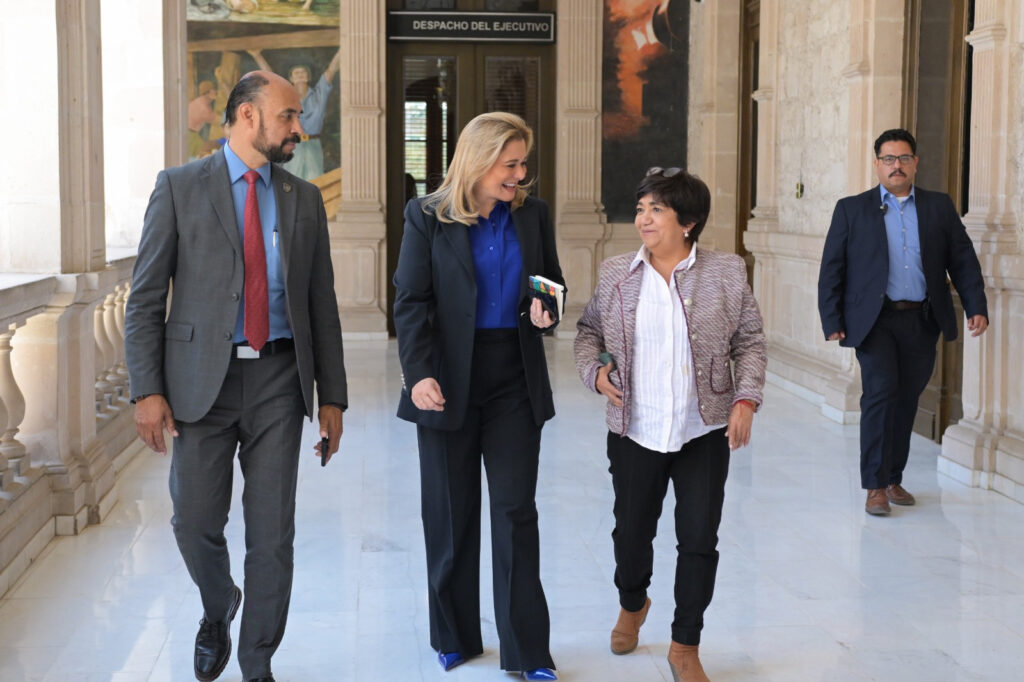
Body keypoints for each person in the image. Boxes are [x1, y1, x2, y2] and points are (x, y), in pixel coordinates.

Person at [124, 70, 347, 682]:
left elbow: (321, 304)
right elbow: (145, 299)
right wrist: (147, 389)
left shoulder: (304, 199)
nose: (298, 128)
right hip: (202, 383)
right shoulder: (178, 187)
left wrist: (333, 397)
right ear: (248, 115)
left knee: (272, 536)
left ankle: (257, 664)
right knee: (193, 521)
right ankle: (219, 600)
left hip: (279, 380)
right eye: (288, 116)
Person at [574, 167, 766, 682]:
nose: (644, 219)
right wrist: (595, 374)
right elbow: (588, 333)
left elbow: (749, 340)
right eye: (641, 209)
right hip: (636, 429)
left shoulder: (726, 272)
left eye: (656, 209)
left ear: (688, 221)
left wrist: (746, 398)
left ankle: (685, 644)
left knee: (699, 540)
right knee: (631, 536)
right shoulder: (617, 272)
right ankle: (632, 602)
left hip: (702, 430)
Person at [393, 112, 562, 681]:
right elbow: (411, 302)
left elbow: (551, 282)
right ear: (478, 161)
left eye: (522, 164)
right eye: (509, 164)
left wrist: (547, 308)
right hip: (445, 379)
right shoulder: (426, 216)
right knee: (450, 511)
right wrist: (418, 373)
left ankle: (528, 652)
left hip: (514, 377)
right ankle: (453, 636)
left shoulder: (533, 215)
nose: (519, 175)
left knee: (515, 512)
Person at [817, 128, 988, 516]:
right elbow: (832, 268)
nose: (897, 166)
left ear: (915, 163)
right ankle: (875, 486)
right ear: (877, 164)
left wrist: (975, 305)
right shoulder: (851, 209)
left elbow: (962, 258)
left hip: (921, 320)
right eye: (889, 159)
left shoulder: (938, 206)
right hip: (874, 322)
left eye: (904, 158)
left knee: (907, 398)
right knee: (879, 395)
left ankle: (893, 476)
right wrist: (832, 319)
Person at [247, 48, 340, 181]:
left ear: (308, 77)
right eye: (296, 73)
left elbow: (331, 70)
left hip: (313, 145)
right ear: (291, 78)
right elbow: (271, 78)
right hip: (292, 145)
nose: (300, 74)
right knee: (292, 183)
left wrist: (342, 49)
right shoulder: (284, 96)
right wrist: (257, 56)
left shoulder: (319, 94)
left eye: (303, 72)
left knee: (316, 183)